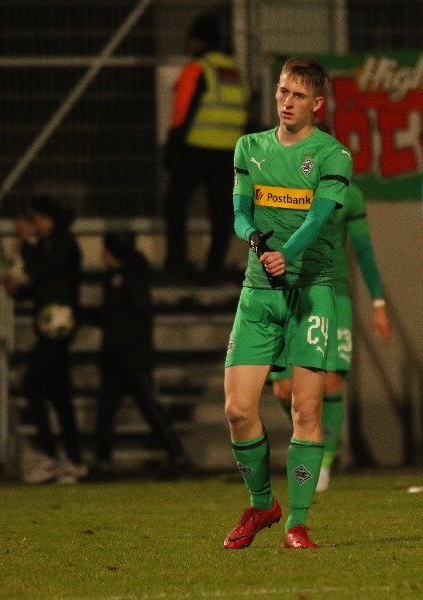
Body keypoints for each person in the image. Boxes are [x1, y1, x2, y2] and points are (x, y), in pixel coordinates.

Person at [222, 57, 352, 550]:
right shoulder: (249, 147)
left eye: (297, 95)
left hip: (312, 292)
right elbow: (238, 210)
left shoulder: (332, 155)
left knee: (306, 409)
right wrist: (253, 236)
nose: (286, 101)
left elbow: (318, 219)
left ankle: (297, 522)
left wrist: (285, 254)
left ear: (316, 103)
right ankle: (262, 505)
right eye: (281, 91)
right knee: (237, 409)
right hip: (258, 293)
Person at [269, 165, 392, 493]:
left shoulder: (347, 193)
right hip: (287, 293)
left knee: (331, 380)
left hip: (332, 292)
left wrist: (378, 301)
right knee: (283, 387)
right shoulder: (280, 186)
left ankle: (321, 462)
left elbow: (363, 250)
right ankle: (308, 437)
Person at [91, 230, 192, 481]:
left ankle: (178, 457)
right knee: (107, 410)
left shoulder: (131, 278)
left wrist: (121, 343)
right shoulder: (116, 277)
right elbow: (111, 316)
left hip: (131, 358)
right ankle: (102, 462)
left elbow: (141, 319)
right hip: (118, 357)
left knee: (148, 408)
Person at [1, 195, 86, 484]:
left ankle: (50, 456)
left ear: (45, 218)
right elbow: (37, 284)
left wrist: (26, 244)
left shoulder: (63, 242)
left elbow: (43, 272)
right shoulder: (49, 245)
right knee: (59, 393)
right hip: (48, 327)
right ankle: (73, 460)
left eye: (35, 219)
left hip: (57, 328)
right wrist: (16, 289)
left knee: (32, 383)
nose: (32, 225)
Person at [161, 13, 249, 280]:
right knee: (221, 210)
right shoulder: (235, 71)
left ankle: (177, 263)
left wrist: (172, 145)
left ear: (197, 40)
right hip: (229, 151)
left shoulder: (198, 68)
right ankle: (215, 266)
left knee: (175, 204)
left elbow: (183, 110)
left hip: (196, 148)